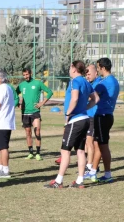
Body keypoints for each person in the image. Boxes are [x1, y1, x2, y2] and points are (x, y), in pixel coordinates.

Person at [44, 60, 98, 188]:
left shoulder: (75, 81)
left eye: (70, 67)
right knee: (80, 151)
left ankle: (59, 181)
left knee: (65, 151)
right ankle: (80, 181)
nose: (69, 70)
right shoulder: (86, 82)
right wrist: (85, 107)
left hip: (75, 120)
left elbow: (74, 98)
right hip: (85, 119)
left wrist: (68, 114)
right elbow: (96, 98)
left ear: (74, 68)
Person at [85, 58, 119, 183]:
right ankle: (97, 171)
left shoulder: (104, 83)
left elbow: (92, 96)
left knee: (102, 145)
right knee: (100, 144)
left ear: (103, 68)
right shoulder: (114, 81)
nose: (97, 69)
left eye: (98, 67)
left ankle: (101, 173)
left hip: (102, 116)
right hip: (108, 115)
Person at [16, 68, 53, 161]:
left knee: (37, 131)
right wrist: (18, 104)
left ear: (31, 73)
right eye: (24, 75)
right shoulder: (22, 85)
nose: (25, 77)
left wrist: (41, 103)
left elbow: (50, 92)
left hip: (35, 112)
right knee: (28, 133)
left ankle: (38, 153)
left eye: (27, 74)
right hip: (25, 113)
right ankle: (30, 152)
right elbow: (14, 95)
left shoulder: (38, 83)